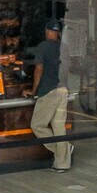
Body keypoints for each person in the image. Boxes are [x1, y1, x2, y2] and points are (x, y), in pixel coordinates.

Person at [25, 19, 72, 170]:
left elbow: (39, 69)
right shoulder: (64, 48)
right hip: (63, 89)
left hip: (49, 90)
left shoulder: (43, 47)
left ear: (48, 31)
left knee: (37, 125)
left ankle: (63, 149)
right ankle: (62, 164)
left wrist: (33, 91)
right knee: (59, 127)